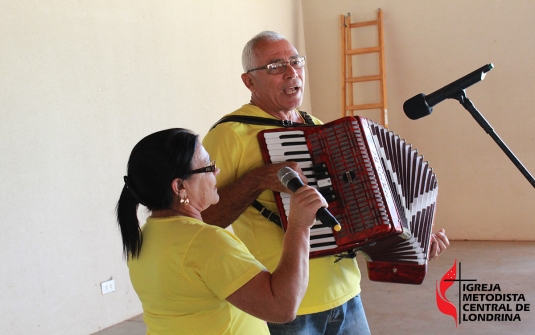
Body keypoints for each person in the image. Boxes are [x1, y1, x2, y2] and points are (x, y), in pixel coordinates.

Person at [202, 31, 450, 335]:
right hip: (288, 306)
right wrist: (259, 179)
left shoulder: (317, 128)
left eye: (295, 61)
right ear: (249, 81)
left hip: (347, 293)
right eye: (275, 66)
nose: (291, 72)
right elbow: (202, 220)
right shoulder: (229, 135)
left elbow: (352, 215)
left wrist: (412, 244)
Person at [116, 128, 328, 335]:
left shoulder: (146, 233)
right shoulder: (206, 241)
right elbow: (282, 307)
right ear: (180, 187)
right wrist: (299, 227)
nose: (216, 171)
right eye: (208, 167)